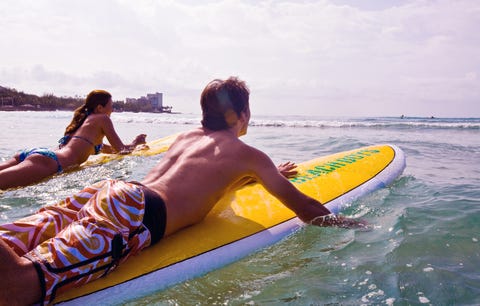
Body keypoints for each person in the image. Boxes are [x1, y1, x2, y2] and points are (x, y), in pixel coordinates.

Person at [0, 77, 366, 305]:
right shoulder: (248, 155)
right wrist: (349, 224)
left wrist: (260, 175)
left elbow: (201, 179)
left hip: (112, 192)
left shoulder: (188, 137)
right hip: (134, 213)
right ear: (240, 115)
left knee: (12, 240)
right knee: (19, 286)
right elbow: (303, 206)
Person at [0, 90, 147, 190]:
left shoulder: (82, 124)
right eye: (111, 106)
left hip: (37, 154)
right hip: (50, 162)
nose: (113, 110)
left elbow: (110, 150)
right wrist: (136, 144)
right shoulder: (102, 119)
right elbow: (121, 150)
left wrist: (132, 143)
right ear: (100, 108)